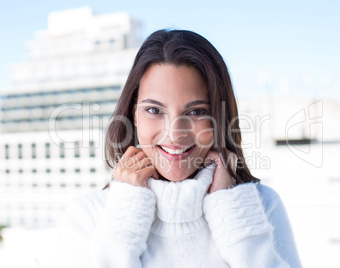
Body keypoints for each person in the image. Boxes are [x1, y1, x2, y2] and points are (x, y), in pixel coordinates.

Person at [55, 29, 302, 268]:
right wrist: (125, 215)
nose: (174, 133)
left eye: (196, 112)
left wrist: (233, 214)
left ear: (219, 117)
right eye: (154, 110)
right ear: (134, 114)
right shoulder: (89, 215)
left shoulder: (261, 205)